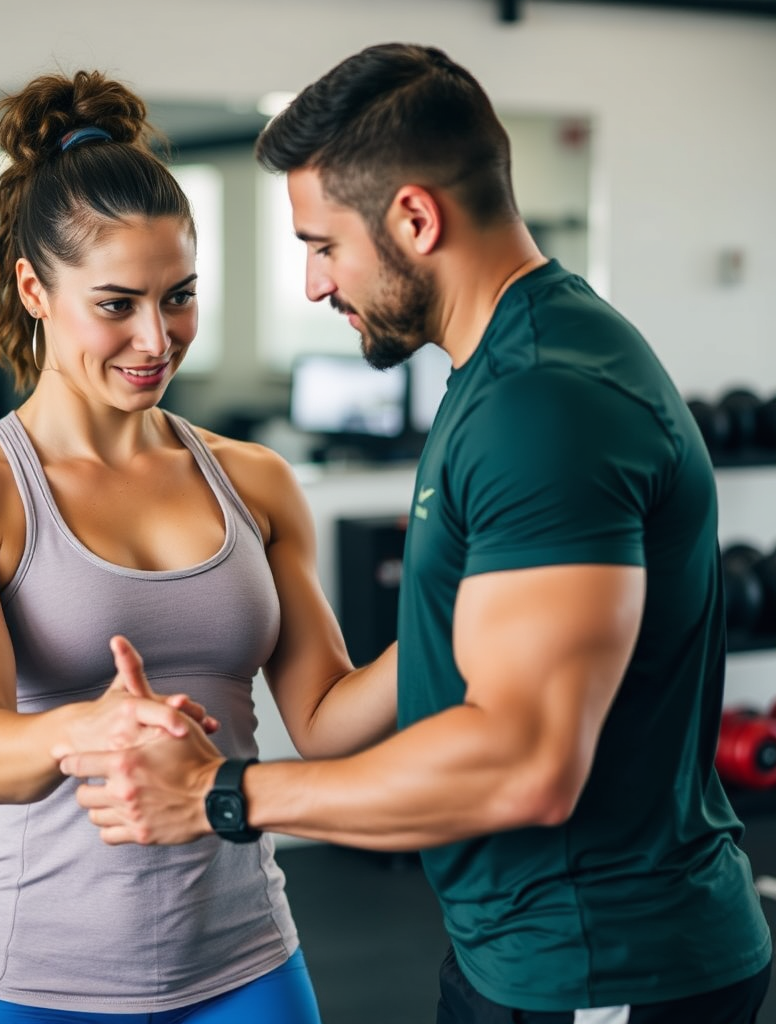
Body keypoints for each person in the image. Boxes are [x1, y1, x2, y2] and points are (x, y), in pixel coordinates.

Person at [57, 43, 773, 1023]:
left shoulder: (542, 403)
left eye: (321, 245)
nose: (312, 284)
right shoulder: (502, 374)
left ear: (413, 218)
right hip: (527, 951)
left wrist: (227, 794)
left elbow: (524, 761)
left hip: (598, 966)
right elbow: (394, 685)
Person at [0, 67, 398, 1024]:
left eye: (180, 298)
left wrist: (459, 625)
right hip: (36, 977)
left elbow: (326, 719)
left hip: (248, 960)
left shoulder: (255, 480)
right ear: (34, 289)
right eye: (117, 304)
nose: (156, 339)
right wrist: (89, 727)